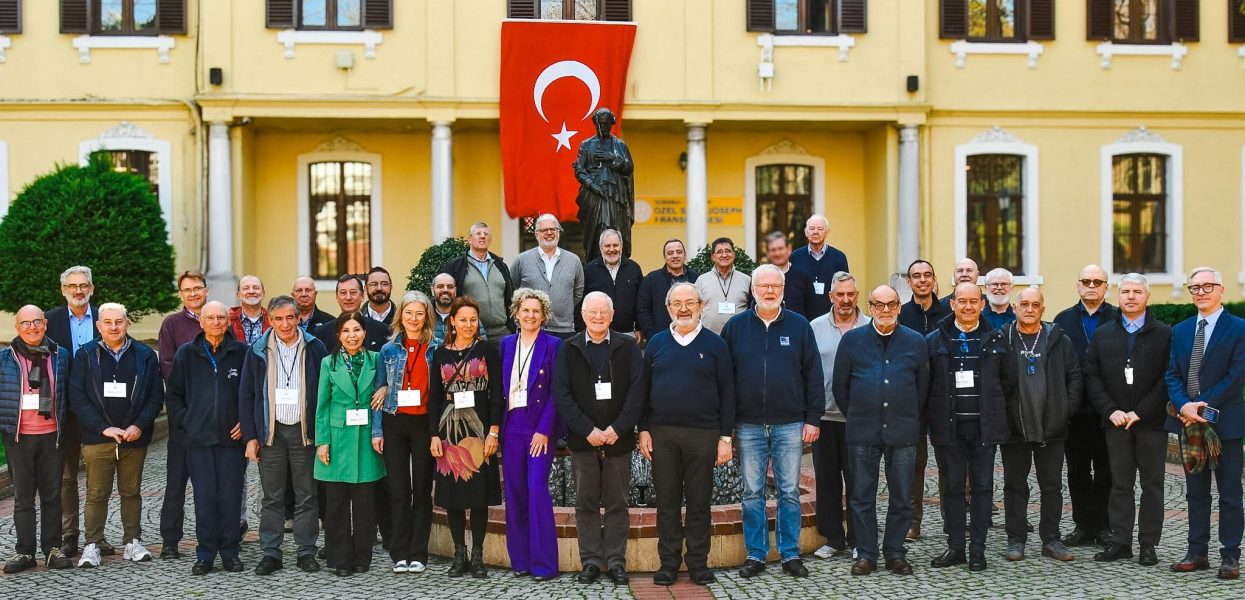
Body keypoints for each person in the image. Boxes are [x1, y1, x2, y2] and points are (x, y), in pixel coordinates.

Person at [724, 265, 823, 579]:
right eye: (763, 285)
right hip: (748, 424)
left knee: (789, 491)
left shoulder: (799, 326)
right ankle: (756, 554)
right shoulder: (735, 327)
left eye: (775, 286)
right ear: (753, 289)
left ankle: (790, 554)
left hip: (790, 423)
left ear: (783, 289)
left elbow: (814, 376)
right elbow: (724, 381)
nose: (769, 291)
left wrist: (813, 419)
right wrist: (726, 428)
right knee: (752, 493)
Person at [637, 282, 735, 587]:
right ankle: (668, 564)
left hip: (703, 435)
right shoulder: (656, 343)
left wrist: (725, 438)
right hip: (663, 435)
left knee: (699, 502)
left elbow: (728, 393)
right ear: (668, 309)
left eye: (689, 303)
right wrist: (643, 431)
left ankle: (697, 563)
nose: (683, 308)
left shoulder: (716, 344)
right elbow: (642, 391)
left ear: (701, 306)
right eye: (676, 303)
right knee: (666, 502)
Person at [832, 285, 928, 577]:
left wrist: (906, 413)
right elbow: (840, 387)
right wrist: (861, 414)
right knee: (862, 496)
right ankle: (866, 553)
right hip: (863, 430)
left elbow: (923, 388)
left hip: (903, 431)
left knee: (901, 496)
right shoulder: (852, 341)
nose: (885, 310)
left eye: (891, 304)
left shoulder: (915, 342)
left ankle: (895, 552)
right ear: (870, 307)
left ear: (899, 307)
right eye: (879, 305)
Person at [554, 291, 645, 585]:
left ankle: (617, 561)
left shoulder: (628, 347)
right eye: (592, 312)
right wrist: (587, 429)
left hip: (618, 440)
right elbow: (563, 395)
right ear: (582, 316)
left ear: (612, 314)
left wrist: (618, 428)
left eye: (603, 312)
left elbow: (637, 392)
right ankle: (591, 561)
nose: (597, 317)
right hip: (584, 441)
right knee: (586, 503)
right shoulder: (568, 349)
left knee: (618, 503)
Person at [239, 295, 329, 575]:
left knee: (306, 495)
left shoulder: (315, 347)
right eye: (278, 318)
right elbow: (246, 394)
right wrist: (250, 437)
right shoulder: (256, 350)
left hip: (304, 432)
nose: (285, 323)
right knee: (272, 496)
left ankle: (306, 551)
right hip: (271, 433)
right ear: (271, 320)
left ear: (298, 318)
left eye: (290, 317)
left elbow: (325, 392)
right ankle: (270, 552)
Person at [68, 302, 163, 567]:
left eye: (118, 322)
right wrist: (103, 427)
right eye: (107, 322)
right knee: (97, 493)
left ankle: (132, 541)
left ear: (127, 323)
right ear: (98, 326)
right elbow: (77, 397)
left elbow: (156, 396)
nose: (113, 327)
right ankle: (92, 544)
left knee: (131, 492)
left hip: (134, 437)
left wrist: (139, 425)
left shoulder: (145, 354)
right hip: (98, 437)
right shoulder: (85, 355)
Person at [1084, 273, 1170, 566]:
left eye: (1137, 291)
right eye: (1125, 291)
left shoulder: (1164, 334)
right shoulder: (1104, 333)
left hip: (1151, 423)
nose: (1131, 296)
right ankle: (1120, 542)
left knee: (1152, 485)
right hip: (1116, 422)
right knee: (1119, 484)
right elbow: (1092, 375)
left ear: (1147, 297)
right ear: (1118, 296)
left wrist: (1141, 411)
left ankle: (1148, 544)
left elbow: (1167, 379)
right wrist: (1111, 410)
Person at [1165, 267, 1245, 579]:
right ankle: (1197, 552)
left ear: (1221, 289)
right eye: (1195, 287)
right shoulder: (1181, 330)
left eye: (1207, 286)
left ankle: (1230, 555)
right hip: (1190, 425)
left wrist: (1201, 404)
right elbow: (1172, 373)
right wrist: (1185, 406)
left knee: (1229, 493)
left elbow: (1237, 374)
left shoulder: (1239, 328)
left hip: (1225, 423)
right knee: (1195, 492)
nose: (1201, 292)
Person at [926, 282, 1008, 572]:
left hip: (985, 427)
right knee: (952, 488)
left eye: (974, 301)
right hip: (949, 427)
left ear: (982, 304)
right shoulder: (934, 340)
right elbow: (926, 386)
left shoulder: (996, 339)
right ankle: (956, 547)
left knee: (984, 488)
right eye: (962, 301)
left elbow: (1006, 385)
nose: (968, 306)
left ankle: (978, 549)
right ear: (953, 304)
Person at [164, 301, 248, 576]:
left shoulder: (241, 353)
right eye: (210, 318)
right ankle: (205, 554)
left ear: (228, 321)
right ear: (200, 322)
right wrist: (186, 422)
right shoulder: (186, 354)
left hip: (232, 441)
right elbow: (174, 395)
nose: (215, 322)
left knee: (230, 497)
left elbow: (253, 394)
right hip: (198, 440)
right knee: (204, 498)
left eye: (221, 318)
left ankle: (230, 553)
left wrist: (246, 424)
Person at [998, 287, 1081, 563]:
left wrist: (1064, 410)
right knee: (1014, 485)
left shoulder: (1058, 339)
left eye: (1036, 304)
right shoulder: (1003, 339)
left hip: (1052, 427)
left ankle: (1052, 539)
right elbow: (994, 381)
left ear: (1043, 308)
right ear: (1015, 307)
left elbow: (1074, 377)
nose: (1030, 309)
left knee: (1052, 486)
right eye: (1024, 304)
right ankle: (1016, 539)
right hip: (1014, 427)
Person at [427, 297, 504, 578]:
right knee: (454, 495)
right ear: (452, 322)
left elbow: (497, 394)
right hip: (449, 431)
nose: (468, 325)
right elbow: (434, 398)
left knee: (479, 496)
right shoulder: (440, 354)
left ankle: (478, 556)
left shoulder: (487, 350)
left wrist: (494, 430)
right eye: (463, 319)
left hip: (481, 428)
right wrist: (433, 434)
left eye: (473, 319)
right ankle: (459, 554)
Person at [0, 305, 74, 573]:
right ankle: (25, 552)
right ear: (17, 328)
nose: (32, 328)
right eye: (26, 323)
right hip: (18, 437)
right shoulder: (5, 358)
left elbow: (69, 392)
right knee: (23, 497)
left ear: (45, 324)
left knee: (53, 496)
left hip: (53, 435)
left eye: (37, 322)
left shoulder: (61, 356)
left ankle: (52, 549)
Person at [372, 291, 440, 574]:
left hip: (425, 424)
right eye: (409, 313)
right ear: (401, 315)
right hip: (395, 423)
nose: (414, 319)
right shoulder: (388, 351)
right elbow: (377, 393)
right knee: (398, 490)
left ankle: (418, 552)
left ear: (427, 316)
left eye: (419, 313)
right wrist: (377, 430)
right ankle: (399, 552)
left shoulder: (437, 348)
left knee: (422, 491)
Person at [314, 312, 386, 577]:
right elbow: (321, 405)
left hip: (367, 438)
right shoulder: (327, 364)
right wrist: (322, 442)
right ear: (338, 335)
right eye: (346, 331)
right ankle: (339, 557)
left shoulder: (377, 360)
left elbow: (387, 385)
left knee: (365, 505)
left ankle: (362, 556)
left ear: (365, 333)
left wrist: (386, 388)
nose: (352, 336)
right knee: (336, 504)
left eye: (356, 330)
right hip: (337, 439)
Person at [500, 288, 563, 580]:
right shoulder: (504, 345)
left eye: (536, 311)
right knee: (514, 493)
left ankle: (544, 564)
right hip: (511, 424)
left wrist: (544, 430)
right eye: (525, 310)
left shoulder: (553, 345)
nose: (531, 315)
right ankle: (521, 561)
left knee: (537, 490)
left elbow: (556, 393)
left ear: (544, 315)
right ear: (516, 313)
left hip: (538, 427)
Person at [1052, 265, 1117, 548]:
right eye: (1086, 281)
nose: (1092, 286)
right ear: (1078, 286)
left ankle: (1103, 526)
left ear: (1106, 287)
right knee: (1077, 471)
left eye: (1097, 281)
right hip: (1075, 411)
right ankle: (1082, 526)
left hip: (1107, 409)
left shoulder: (1117, 318)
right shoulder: (1062, 320)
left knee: (1106, 471)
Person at [809, 272, 868, 560]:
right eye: (840, 295)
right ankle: (833, 538)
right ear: (831, 296)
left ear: (857, 296)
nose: (846, 300)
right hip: (825, 417)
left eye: (851, 294)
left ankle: (860, 539)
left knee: (860, 481)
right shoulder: (815, 328)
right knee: (827, 480)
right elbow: (806, 372)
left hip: (860, 419)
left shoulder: (870, 326)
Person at [44, 265, 100, 559]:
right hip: (62, 410)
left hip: (96, 411)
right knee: (65, 478)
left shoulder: (105, 318)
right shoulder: (50, 320)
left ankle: (96, 535)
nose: (79, 291)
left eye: (84, 285)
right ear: (63, 290)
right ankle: (69, 535)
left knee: (98, 476)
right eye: (72, 286)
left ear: (92, 288)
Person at [897, 259, 952, 542]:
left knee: (948, 461)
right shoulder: (901, 314)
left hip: (944, 397)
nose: (922, 280)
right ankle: (912, 522)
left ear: (934, 279)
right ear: (909, 282)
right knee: (913, 464)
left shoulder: (948, 312)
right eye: (916, 276)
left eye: (927, 275)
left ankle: (952, 521)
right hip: (911, 399)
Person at [157, 270, 208, 559]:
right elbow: (167, 365)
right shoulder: (172, 324)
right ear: (181, 294)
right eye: (187, 290)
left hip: (212, 418)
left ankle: (210, 536)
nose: (193, 294)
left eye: (197, 288)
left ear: (206, 290)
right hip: (184, 417)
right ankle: (170, 540)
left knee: (209, 482)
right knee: (176, 481)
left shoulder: (218, 318)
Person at [573, 107, 635, 264]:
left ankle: (619, 263)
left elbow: (628, 167)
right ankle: (595, 263)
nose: (603, 127)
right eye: (600, 124)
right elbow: (579, 170)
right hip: (594, 196)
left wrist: (611, 158)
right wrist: (593, 186)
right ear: (595, 124)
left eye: (606, 124)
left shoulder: (619, 145)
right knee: (595, 231)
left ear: (611, 124)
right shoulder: (586, 145)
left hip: (615, 196)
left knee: (617, 227)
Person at [509, 214, 585, 338]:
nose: (549, 233)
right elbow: (512, 291)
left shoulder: (574, 260)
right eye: (544, 230)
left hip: (564, 330)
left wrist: (562, 304)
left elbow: (577, 293)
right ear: (536, 234)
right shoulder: (521, 260)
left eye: (553, 229)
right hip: (532, 328)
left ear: (558, 232)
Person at [441, 222, 516, 343]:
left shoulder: (500, 265)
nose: (482, 236)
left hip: (502, 333)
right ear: (469, 239)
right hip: (471, 333)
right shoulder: (457, 266)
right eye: (478, 233)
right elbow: (448, 297)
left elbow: (510, 297)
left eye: (486, 234)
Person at [580, 229, 643, 339]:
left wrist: (639, 327)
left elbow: (640, 301)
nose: (612, 249)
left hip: (627, 333)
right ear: (601, 248)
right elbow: (581, 302)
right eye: (607, 246)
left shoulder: (634, 269)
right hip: (597, 333)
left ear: (621, 246)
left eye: (615, 245)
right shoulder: (589, 270)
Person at [636, 239, 700, 341]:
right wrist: (652, 336)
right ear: (665, 258)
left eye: (679, 252)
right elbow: (642, 310)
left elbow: (702, 308)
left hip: (693, 338)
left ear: (685, 255)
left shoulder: (697, 279)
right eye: (670, 253)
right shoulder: (651, 280)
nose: (675, 256)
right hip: (660, 339)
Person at [789, 215, 850, 320]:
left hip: (832, 318)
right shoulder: (795, 257)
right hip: (802, 318)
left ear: (827, 232)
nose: (815, 232)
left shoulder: (839, 257)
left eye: (820, 229)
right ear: (806, 232)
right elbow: (792, 290)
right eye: (812, 228)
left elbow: (845, 288)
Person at [311, 274, 390, 354]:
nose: (348, 297)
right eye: (343, 293)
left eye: (353, 292)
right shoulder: (322, 332)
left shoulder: (380, 330)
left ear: (362, 296)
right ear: (337, 297)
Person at [695, 237, 751, 335]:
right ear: (713, 257)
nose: (724, 255)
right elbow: (695, 309)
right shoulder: (702, 280)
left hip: (739, 336)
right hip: (708, 337)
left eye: (728, 251)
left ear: (734, 255)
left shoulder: (746, 280)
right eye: (719, 252)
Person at [763, 231, 810, 318]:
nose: (777, 253)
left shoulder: (802, 276)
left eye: (780, 249)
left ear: (789, 249)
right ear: (768, 253)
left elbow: (810, 308)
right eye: (773, 250)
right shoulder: (760, 277)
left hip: (796, 329)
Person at [230, 275, 270, 345]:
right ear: (238, 295)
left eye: (256, 288)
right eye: (246, 288)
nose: (251, 291)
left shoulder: (273, 319)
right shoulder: (228, 320)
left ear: (263, 293)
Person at [431, 273, 457, 342]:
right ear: (432, 290)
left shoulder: (466, 314)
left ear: (455, 291)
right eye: (440, 286)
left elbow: (480, 346)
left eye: (450, 287)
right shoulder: (424, 314)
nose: (445, 290)